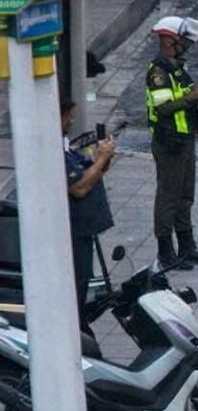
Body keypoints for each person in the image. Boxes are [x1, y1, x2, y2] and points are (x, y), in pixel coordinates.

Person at [145, 16, 198, 271]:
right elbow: (165, 107)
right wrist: (193, 96)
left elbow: (185, 99)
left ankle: (187, 248)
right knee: (168, 196)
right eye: (182, 41)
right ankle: (166, 253)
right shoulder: (158, 72)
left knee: (185, 195)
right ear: (168, 41)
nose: (186, 46)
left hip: (184, 137)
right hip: (169, 142)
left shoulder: (177, 68)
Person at [61, 98, 115, 322]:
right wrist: (101, 159)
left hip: (84, 229)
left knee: (84, 281)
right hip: (75, 230)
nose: (72, 120)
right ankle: (78, 326)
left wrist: (102, 160)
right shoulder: (57, 153)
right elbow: (79, 188)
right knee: (78, 284)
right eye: (68, 116)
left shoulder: (66, 147)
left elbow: (90, 174)